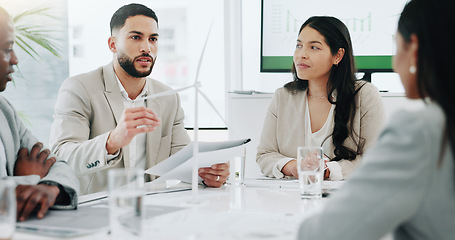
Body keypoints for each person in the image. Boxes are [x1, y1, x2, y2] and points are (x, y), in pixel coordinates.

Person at [298, 0, 455, 239]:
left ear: (413, 48)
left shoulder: (420, 131)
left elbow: (329, 233)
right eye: (299, 46)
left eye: (396, 45)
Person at [49, 3, 228, 195]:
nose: (146, 48)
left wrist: (208, 172)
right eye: (136, 37)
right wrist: (111, 142)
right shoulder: (79, 88)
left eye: (153, 39)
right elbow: (62, 157)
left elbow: (183, 162)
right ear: (113, 44)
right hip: (97, 211)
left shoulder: (169, 98)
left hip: (153, 211)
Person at [256, 16, 385, 181]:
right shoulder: (283, 96)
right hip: (291, 199)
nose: (301, 55)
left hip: (348, 198)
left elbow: (375, 159)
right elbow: (265, 155)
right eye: (299, 46)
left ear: (338, 55)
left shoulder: (364, 95)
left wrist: (326, 170)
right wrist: (296, 167)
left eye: (314, 47)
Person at [0, 7, 78, 221]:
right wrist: (30, 180)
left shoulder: (4, 110)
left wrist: (51, 186)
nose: (15, 59)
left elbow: (59, 165)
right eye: (7, 49)